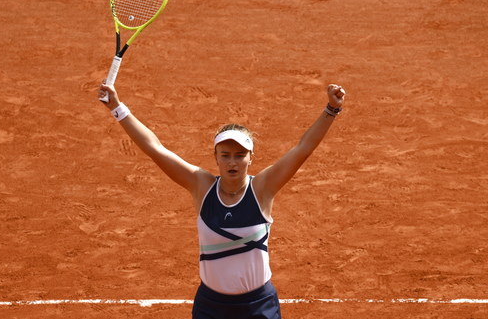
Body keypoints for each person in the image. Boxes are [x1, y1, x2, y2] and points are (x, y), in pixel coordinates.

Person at [98, 80, 346, 319]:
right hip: (211, 307)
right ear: (215, 157)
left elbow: (303, 148)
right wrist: (118, 109)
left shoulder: (262, 189)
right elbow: (156, 148)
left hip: (258, 305)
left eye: (240, 155)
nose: (232, 162)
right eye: (225, 155)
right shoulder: (201, 185)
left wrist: (331, 109)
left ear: (251, 157)